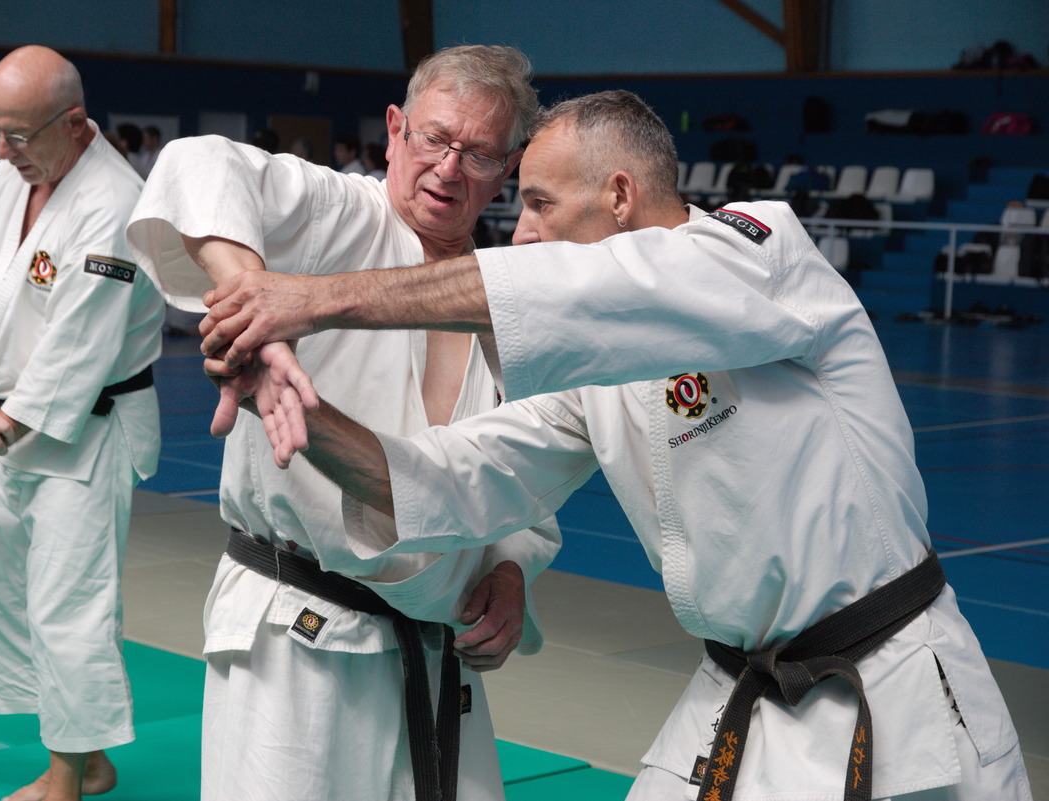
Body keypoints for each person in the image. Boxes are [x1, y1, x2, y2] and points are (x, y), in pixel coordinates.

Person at [196, 91, 1032, 801]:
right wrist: (294, 406)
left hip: (889, 689)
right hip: (740, 686)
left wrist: (311, 299)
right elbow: (451, 477)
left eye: (539, 203)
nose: (520, 233)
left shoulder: (760, 254)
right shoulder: (599, 372)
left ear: (621, 195)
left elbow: (580, 290)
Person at [125, 44, 558, 801]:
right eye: (433, 138)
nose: (448, 169)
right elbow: (198, 164)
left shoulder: (497, 297)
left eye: (479, 153)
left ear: (508, 168)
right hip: (297, 636)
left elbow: (524, 473)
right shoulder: (338, 215)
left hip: (433, 646)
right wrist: (257, 301)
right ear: (394, 130)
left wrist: (511, 567)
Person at [0, 45, 163, 801]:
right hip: (12, 421)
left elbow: (71, 360)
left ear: (75, 122)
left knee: (69, 605)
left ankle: (67, 776)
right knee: (2, 593)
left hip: (86, 430)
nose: (2, 151)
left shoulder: (112, 206)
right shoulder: (17, 172)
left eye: (18, 134)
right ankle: (86, 755)